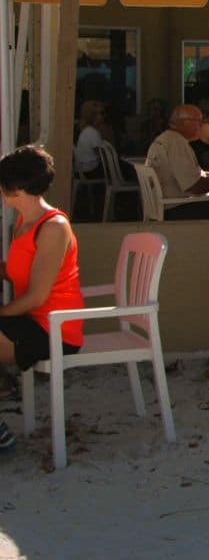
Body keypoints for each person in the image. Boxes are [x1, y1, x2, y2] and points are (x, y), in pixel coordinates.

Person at [0, 146, 85, 452]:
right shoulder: (23, 222)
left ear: (15, 188)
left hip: (54, 328)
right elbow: (18, 272)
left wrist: (3, 313)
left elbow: (36, 296)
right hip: (30, 321)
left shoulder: (53, 228)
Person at [145, 104, 209, 219]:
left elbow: (183, 175)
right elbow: (195, 187)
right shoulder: (177, 143)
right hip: (176, 209)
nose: (201, 125)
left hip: (166, 206)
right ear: (183, 122)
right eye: (199, 121)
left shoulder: (165, 139)